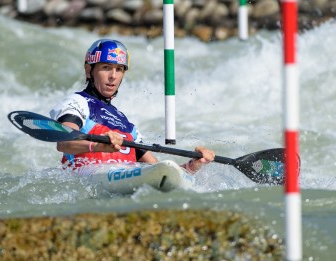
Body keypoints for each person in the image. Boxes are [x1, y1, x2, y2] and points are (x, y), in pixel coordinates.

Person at [50, 39, 214, 173]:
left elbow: (161, 172)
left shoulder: (127, 125)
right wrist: (100, 146)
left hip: (122, 180)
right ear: (89, 70)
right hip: (83, 181)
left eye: (119, 69)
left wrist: (194, 164)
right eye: (106, 67)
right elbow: (64, 143)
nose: (113, 76)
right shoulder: (77, 102)